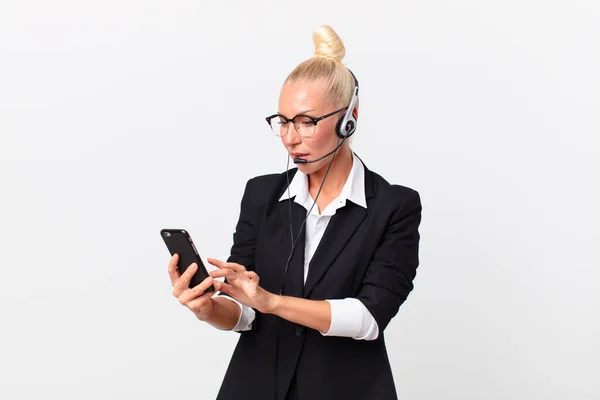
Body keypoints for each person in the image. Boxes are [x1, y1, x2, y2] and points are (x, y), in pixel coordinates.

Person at [167, 25, 422, 400]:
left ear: (349, 117)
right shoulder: (261, 194)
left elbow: (368, 319)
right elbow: (246, 312)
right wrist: (207, 309)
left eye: (307, 121)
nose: (290, 137)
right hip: (254, 386)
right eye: (283, 121)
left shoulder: (393, 206)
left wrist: (271, 301)